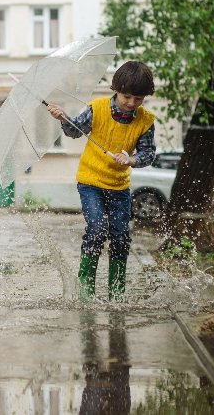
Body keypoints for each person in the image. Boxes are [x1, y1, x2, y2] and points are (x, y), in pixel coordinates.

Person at [46, 61, 156, 302]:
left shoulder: (145, 121)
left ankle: (116, 295)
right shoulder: (97, 109)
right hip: (91, 182)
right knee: (96, 230)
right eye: (127, 96)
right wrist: (63, 118)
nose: (131, 103)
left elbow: (148, 154)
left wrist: (132, 159)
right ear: (115, 89)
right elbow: (74, 131)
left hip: (119, 186)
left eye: (138, 99)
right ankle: (86, 294)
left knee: (120, 236)